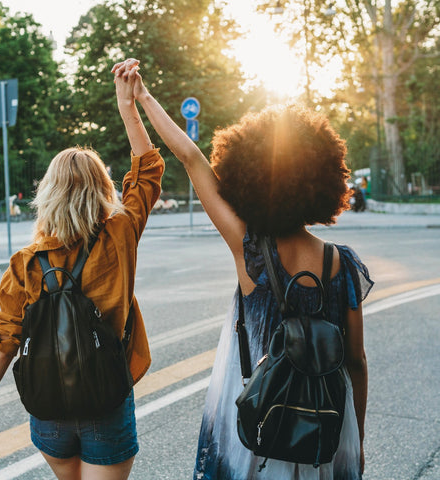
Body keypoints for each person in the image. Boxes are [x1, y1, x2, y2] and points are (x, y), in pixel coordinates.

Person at [112, 58, 372, 479]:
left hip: (259, 425)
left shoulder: (249, 249)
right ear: (321, 180)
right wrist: (356, 437)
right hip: (326, 426)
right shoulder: (341, 264)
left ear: (248, 180)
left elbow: (191, 158)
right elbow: (356, 363)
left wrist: (139, 97)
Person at [0, 65, 164, 480]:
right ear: (103, 191)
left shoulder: (25, 263)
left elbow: (4, 341)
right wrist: (127, 105)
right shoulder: (119, 235)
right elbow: (148, 171)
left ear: (47, 193)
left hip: (47, 412)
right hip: (104, 401)